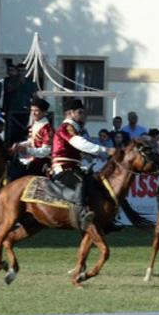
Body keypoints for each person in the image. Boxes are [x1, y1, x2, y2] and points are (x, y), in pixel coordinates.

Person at [50, 97, 116, 229]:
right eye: (80, 112)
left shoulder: (76, 128)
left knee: (94, 182)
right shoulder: (66, 127)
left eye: (84, 112)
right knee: (80, 182)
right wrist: (105, 149)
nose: (84, 115)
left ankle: (103, 217)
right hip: (62, 167)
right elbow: (79, 143)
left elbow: (81, 146)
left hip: (74, 166)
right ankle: (81, 216)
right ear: (70, 113)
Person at [10, 95, 53, 178]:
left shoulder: (47, 129)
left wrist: (27, 150)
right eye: (32, 110)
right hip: (33, 159)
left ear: (44, 112)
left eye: (36, 111)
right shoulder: (35, 124)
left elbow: (46, 151)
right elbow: (31, 141)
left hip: (42, 162)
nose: (33, 113)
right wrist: (20, 145)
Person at [3, 62, 38, 145]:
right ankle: (10, 148)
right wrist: (19, 82)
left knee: (23, 130)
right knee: (11, 131)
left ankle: (20, 147)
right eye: (19, 71)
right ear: (17, 71)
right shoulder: (9, 80)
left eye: (23, 71)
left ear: (26, 71)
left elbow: (34, 96)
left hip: (25, 110)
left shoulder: (30, 82)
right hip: (12, 110)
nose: (21, 72)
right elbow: (9, 89)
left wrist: (33, 107)